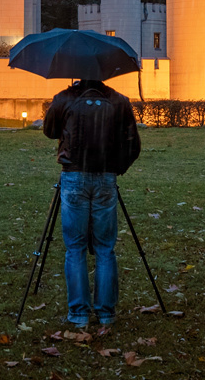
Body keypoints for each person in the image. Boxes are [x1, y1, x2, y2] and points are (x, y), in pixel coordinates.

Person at [42, 77, 142, 326]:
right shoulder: (119, 101)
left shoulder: (65, 99)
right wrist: (116, 168)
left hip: (74, 175)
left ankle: (78, 314)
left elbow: (49, 131)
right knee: (105, 248)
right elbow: (133, 144)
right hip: (105, 177)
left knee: (75, 247)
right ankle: (106, 313)